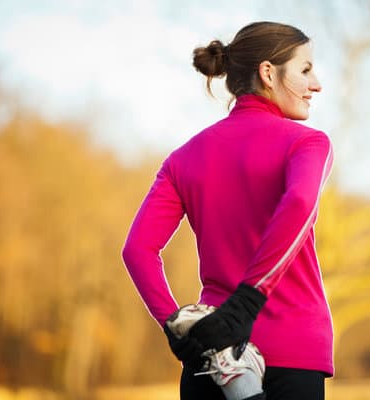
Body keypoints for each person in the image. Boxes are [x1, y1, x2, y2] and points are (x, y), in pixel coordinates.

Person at [121, 21, 334, 400]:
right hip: (292, 357)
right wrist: (247, 304)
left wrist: (176, 327)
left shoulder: (183, 158)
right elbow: (300, 203)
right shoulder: (307, 143)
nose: (316, 83)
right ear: (268, 73)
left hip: (210, 358)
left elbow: (137, 250)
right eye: (305, 70)